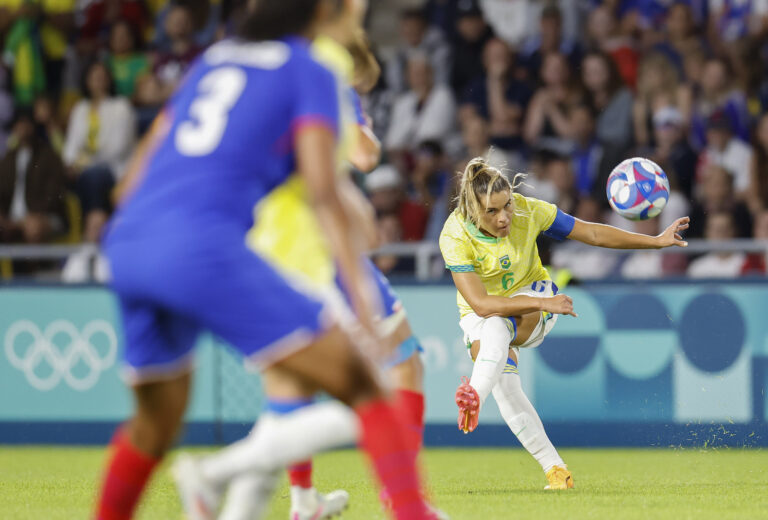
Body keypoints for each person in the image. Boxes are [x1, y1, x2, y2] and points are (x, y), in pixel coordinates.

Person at [93, 1, 436, 519]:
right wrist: (361, 300)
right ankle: (410, 512)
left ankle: (232, 490)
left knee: (155, 426)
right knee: (367, 383)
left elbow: (128, 183)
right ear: (326, 12)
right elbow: (324, 192)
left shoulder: (216, 58)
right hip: (204, 245)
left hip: (129, 242)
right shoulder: (312, 68)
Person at [438, 157, 689, 489]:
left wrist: (655, 241)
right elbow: (481, 304)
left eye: (507, 206)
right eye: (492, 212)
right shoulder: (454, 235)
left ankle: (474, 396)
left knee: (498, 331)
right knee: (506, 382)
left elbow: (593, 233)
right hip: (488, 313)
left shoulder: (530, 211)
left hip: (535, 298)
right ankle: (557, 472)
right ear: (473, 212)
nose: (504, 217)